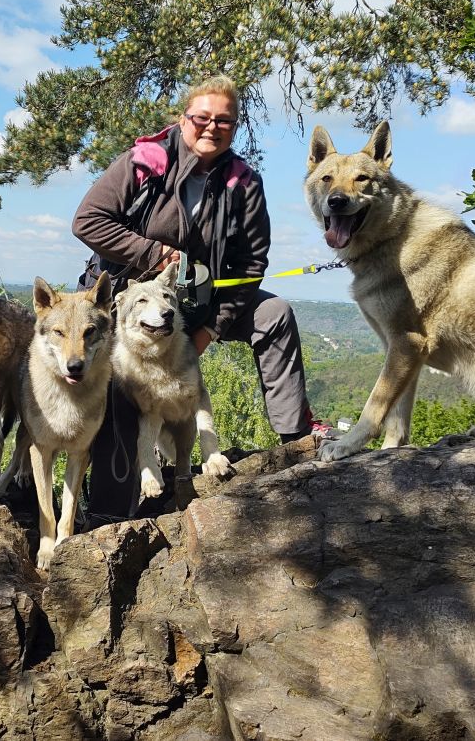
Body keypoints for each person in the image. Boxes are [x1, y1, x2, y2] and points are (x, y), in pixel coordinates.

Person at [72, 75, 319, 523]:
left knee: (275, 314)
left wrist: (210, 329)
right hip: (128, 304)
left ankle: (297, 441)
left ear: (236, 125)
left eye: (223, 120)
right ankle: (111, 513)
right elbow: (88, 221)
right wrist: (155, 252)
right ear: (183, 118)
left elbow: (251, 263)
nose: (211, 127)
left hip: (199, 306)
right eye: (201, 117)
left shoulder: (243, 182)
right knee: (117, 386)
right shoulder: (144, 161)